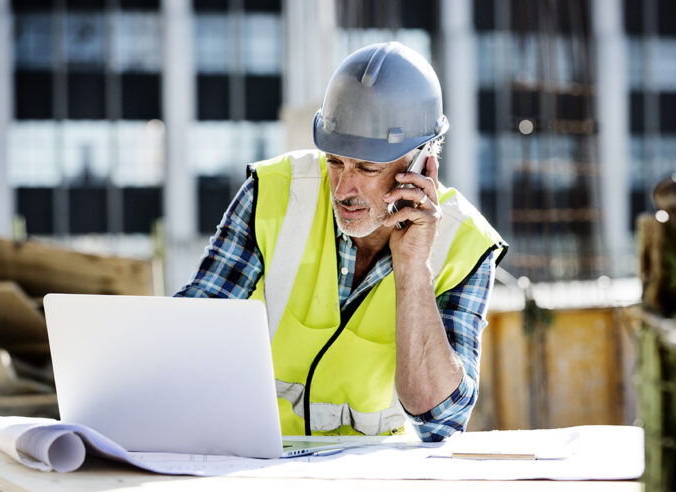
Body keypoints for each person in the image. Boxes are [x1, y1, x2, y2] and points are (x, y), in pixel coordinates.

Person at [176, 41, 507, 442]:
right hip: (252, 462)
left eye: (367, 167)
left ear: (422, 164)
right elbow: (188, 337)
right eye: (335, 161)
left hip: (368, 477)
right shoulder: (272, 194)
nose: (344, 189)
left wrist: (414, 269)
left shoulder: (466, 245)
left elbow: (441, 421)